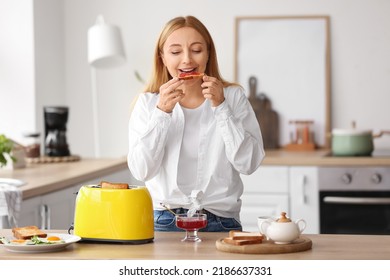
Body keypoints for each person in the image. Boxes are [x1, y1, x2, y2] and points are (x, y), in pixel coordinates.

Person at [127, 15, 265, 232]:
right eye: (175, 52)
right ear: (162, 57)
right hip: (163, 220)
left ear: (208, 54)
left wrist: (221, 107)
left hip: (222, 222)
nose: (187, 60)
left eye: (197, 50)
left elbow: (249, 164)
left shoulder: (233, 97)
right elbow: (142, 171)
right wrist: (162, 113)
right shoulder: (148, 103)